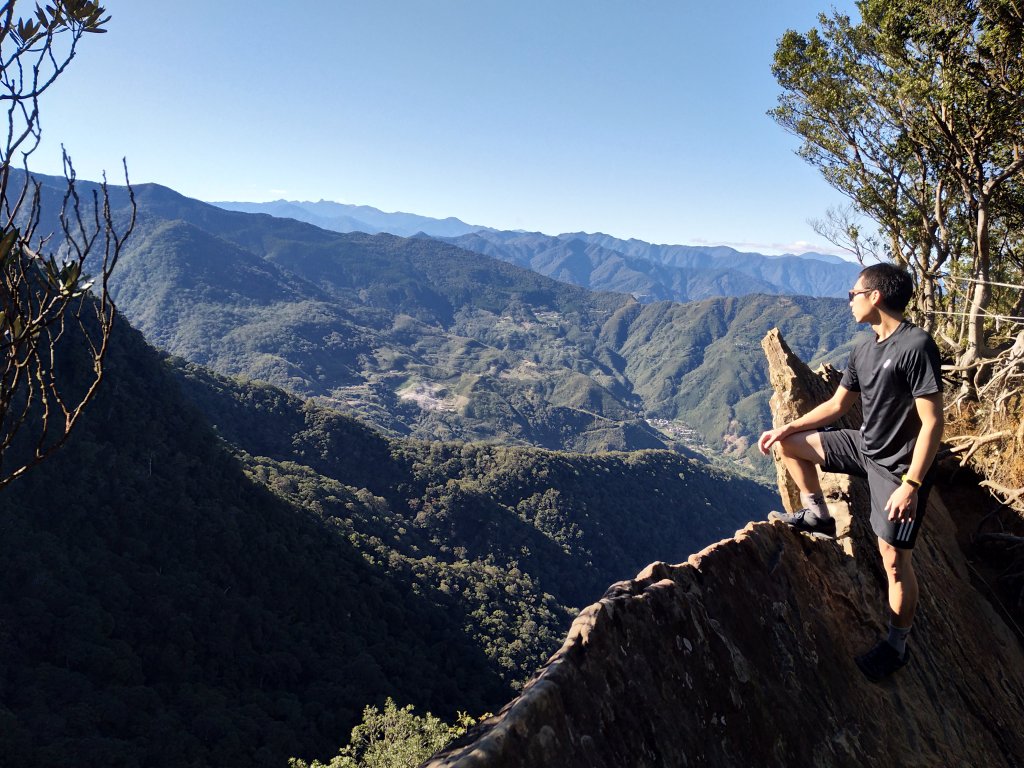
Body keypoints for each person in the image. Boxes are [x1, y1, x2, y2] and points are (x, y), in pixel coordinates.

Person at [757, 263, 944, 682]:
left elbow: (933, 422)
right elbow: (839, 406)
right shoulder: (863, 348)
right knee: (790, 446)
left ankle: (897, 645)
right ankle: (817, 514)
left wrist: (912, 484)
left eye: (853, 294)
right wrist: (789, 426)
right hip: (864, 445)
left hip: (899, 468)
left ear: (875, 296)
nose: (850, 301)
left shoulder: (917, 346)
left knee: (894, 562)